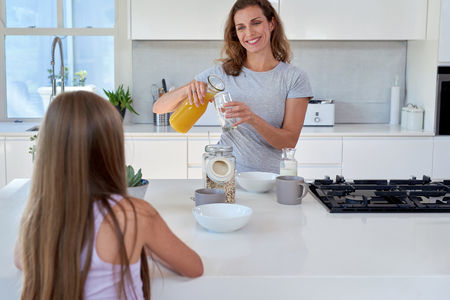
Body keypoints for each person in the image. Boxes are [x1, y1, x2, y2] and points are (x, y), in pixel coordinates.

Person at [14, 91, 203, 300]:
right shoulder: (134, 215)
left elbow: (19, 261)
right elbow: (194, 267)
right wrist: (143, 243)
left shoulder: (35, 218)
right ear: (111, 148)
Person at [153, 0, 313, 173]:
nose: (249, 33)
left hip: (269, 180)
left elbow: (289, 142)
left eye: (256, 23)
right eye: (241, 27)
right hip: (224, 175)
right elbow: (158, 107)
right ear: (236, 33)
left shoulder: (294, 77)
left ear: (272, 23)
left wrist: (252, 119)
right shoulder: (221, 75)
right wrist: (187, 89)